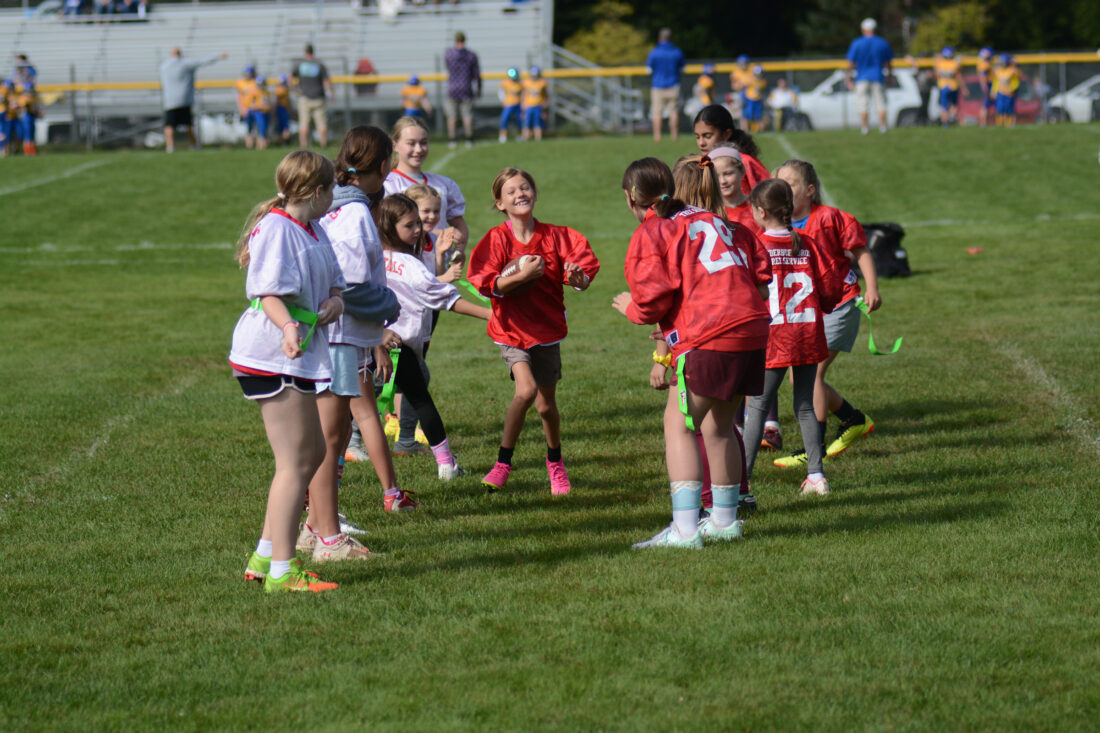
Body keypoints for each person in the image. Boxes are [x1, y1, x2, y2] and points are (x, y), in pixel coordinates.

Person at [612, 157, 770, 549]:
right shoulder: (720, 221)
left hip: (710, 332)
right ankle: (724, 522)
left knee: (679, 425)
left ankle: (684, 530)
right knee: (719, 427)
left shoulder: (656, 229)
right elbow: (760, 276)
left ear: (630, 198)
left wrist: (632, 308)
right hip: (752, 329)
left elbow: (652, 297)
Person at [300, 126, 416, 564]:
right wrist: (387, 304)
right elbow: (345, 287)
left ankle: (313, 529)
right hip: (339, 337)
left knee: (331, 437)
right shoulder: (352, 213)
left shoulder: (337, 206)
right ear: (384, 165)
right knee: (329, 440)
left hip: (334, 336)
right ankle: (327, 538)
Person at [232, 150, 346, 593]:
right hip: (273, 353)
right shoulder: (278, 228)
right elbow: (267, 293)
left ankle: (265, 555)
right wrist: (288, 329)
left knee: (312, 454)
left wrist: (334, 303)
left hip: (295, 351)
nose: (335, 196)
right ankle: (282, 571)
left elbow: (333, 283)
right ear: (317, 191)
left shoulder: (313, 226)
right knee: (294, 463)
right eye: (332, 188)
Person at [466, 168, 600, 495]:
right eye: (511, 191)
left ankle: (555, 461)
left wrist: (579, 278)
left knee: (545, 406)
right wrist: (519, 278)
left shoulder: (557, 236)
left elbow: (582, 273)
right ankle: (502, 463)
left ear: (535, 194)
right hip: (511, 330)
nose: (520, 194)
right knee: (525, 391)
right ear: (500, 203)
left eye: (525, 187)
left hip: (547, 330)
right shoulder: (496, 240)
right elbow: (486, 283)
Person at [773, 159, 880, 466]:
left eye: (791, 183)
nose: (784, 189)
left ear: (810, 190)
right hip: (808, 312)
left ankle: (814, 447)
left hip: (840, 305)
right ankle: (853, 419)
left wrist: (872, 288)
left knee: (812, 375)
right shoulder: (777, 225)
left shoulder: (831, 218)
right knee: (800, 378)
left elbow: (861, 251)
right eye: (779, 183)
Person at [742, 178, 843, 498]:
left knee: (758, 408)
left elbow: (746, 292)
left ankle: (742, 483)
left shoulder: (757, 246)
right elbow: (831, 288)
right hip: (808, 333)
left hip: (774, 336)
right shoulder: (807, 243)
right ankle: (816, 476)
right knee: (804, 405)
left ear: (760, 212)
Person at [378, 194, 490, 479]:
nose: (418, 229)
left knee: (355, 403)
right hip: (399, 346)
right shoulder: (411, 265)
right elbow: (447, 299)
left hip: (370, 342)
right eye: (409, 225)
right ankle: (446, 465)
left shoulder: (373, 260)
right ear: (389, 227)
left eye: (418, 223)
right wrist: (490, 314)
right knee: (420, 399)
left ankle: (334, 466)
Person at [158, 47, 228, 153]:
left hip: (170, 101)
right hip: (184, 100)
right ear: (180, 53)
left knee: (169, 125)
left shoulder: (164, 66)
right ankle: (193, 145)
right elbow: (203, 61)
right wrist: (218, 56)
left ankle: (170, 147)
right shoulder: (186, 63)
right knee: (188, 124)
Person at [692, 104, 770, 195]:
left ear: (727, 134)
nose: (701, 143)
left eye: (708, 136)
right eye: (697, 137)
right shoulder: (702, 164)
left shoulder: (745, 161)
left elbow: (769, 194)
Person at [846, 17, 893, 134]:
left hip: (861, 77)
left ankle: (865, 128)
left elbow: (850, 63)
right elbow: (888, 63)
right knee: (880, 103)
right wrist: (890, 76)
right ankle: (883, 127)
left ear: (863, 29)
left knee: (862, 104)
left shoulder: (857, 43)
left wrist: (848, 78)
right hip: (878, 77)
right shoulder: (882, 42)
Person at [443, 31, 481, 149]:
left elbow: (448, 67)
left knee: (452, 117)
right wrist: (479, 89)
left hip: (453, 88)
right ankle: (469, 139)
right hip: (466, 87)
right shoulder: (471, 55)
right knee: (467, 115)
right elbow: (477, 74)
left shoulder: (449, 54)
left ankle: (452, 140)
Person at [646, 28, 685, 142]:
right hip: (673, 85)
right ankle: (674, 136)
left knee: (657, 113)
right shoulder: (677, 52)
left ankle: (657, 136)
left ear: (660, 38)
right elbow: (683, 68)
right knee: (674, 112)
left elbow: (648, 70)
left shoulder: (654, 52)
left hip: (658, 86)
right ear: (671, 38)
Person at [291, 44, 332, 148]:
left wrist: (295, 90)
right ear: (313, 52)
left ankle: (303, 146)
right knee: (322, 123)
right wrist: (331, 93)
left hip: (304, 97)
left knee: (304, 124)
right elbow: (326, 82)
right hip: (319, 97)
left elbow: (289, 78)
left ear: (305, 52)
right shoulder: (319, 64)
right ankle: (323, 144)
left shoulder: (300, 65)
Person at [935, 46, 961, 126]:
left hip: (943, 86)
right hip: (953, 86)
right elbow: (958, 74)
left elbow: (937, 75)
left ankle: (945, 124)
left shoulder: (939, 63)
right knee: (954, 105)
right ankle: (952, 118)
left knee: (944, 107)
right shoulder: (955, 63)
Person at [521, 66, 548, 141]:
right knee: (527, 122)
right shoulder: (526, 82)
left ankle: (538, 138)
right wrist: (523, 103)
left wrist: (545, 103)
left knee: (538, 122)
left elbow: (545, 94)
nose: (534, 77)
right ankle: (525, 137)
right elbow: (523, 94)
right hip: (528, 105)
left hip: (538, 105)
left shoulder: (542, 82)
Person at [245, 76, 272, 150]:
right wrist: (260, 106)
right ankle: (260, 146)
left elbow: (269, 103)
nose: (261, 85)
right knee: (261, 128)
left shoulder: (267, 92)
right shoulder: (253, 92)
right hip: (258, 112)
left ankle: (262, 145)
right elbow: (250, 104)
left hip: (266, 112)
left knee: (265, 129)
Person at [993, 54, 1020, 127]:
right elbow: (995, 82)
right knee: (999, 109)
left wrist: (1014, 64)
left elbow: (1018, 77)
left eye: (1004, 62)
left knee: (1009, 110)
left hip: (1009, 93)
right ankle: (999, 124)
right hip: (1000, 92)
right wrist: (994, 91)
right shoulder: (998, 71)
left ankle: (1009, 124)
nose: (1002, 64)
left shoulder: (1012, 70)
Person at [498, 67, 523, 143]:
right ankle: (503, 135)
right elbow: (501, 92)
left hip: (518, 104)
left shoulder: (520, 83)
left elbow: (523, 93)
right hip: (508, 104)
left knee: (519, 120)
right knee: (504, 119)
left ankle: (519, 135)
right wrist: (503, 101)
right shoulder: (505, 83)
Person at [235, 65, 257, 148]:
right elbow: (239, 97)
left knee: (257, 127)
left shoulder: (255, 81)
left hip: (256, 109)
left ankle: (258, 145)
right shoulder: (240, 82)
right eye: (246, 73)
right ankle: (249, 145)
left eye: (249, 73)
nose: (247, 75)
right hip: (246, 109)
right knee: (248, 128)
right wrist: (242, 109)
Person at [14, 80, 37, 156]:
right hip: (26, 117)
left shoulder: (30, 97)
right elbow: (22, 108)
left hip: (30, 117)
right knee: (27, 135)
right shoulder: (23, 98)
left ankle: (32, 151)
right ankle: (28, 152)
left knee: (31, 135)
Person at [729, 54, 753, 130]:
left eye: (745, 63)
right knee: (741, 113)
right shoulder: (736, 73)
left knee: (748, 113)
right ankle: (743, 128)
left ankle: (749, 128)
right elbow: (733, 86)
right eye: (742, 63)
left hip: (750, 95)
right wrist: (741, 87)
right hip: (740, 94)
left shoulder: (751, 72)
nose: (743, 65)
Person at [742, 64, 768, 133]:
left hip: (758, 99)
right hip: (750, 99)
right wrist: (744, 98)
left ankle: (759, 130)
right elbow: (744, 88)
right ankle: (747, 129)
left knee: (758, 116)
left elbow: (762, 90)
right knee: (748, 115)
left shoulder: (763, 82)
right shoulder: (750, 79)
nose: (760, 75)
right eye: (759, 74)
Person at [976, 47, 994, 127]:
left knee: (986, 105)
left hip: (987, 85)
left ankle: (984, 123)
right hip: (987, 85)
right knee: (985, 105)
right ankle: (983, 123)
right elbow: (983, 78)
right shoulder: (984, 64)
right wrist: (986, 88)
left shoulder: (983, 63)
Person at [272, 74, 292, 145]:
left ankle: (281, 141)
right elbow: (277, 101)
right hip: (281, 109)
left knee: (282, 127)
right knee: (283, 127)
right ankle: (283, 141)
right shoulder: (281, 90)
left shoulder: (283, 90)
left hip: (283, 109)